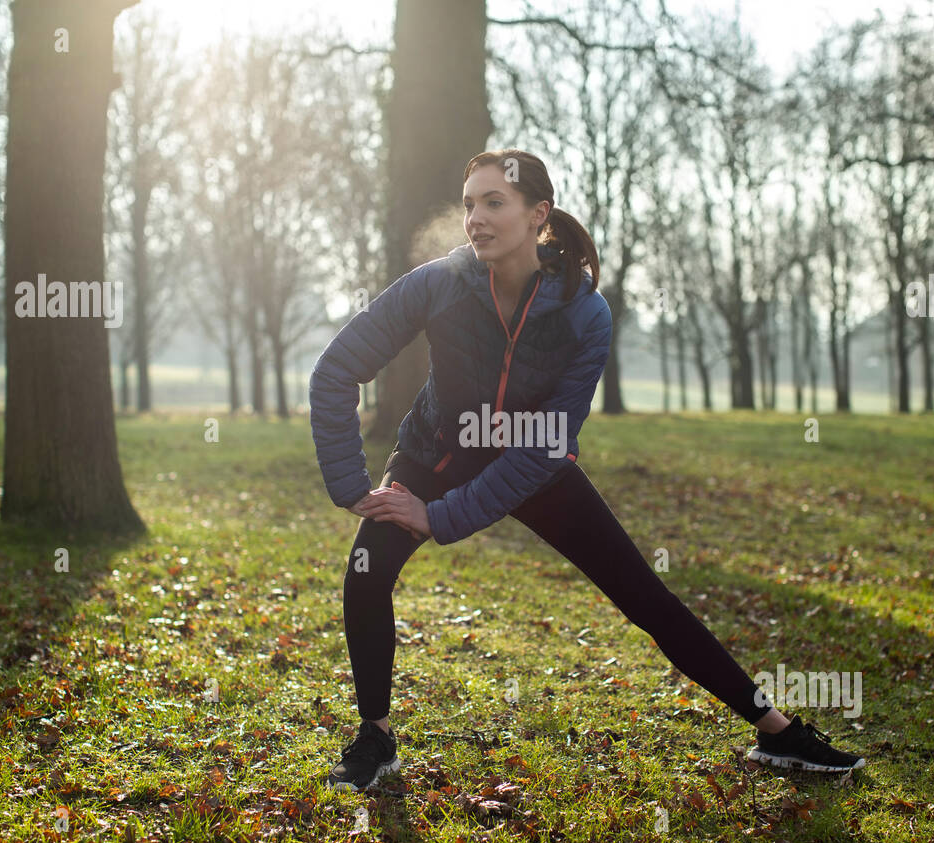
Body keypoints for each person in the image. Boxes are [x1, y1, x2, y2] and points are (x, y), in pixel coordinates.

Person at [309, 148, 864, 792]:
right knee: (366, 572)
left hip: (530, 458)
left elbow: (545, 447)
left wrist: (438, 518)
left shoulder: (583, 312)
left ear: (538, 214)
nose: (476, 220)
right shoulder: (440, 282)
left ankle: (779, 733)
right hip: (436, 450)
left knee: (642, 593)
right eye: (468, 205)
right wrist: (353, 490)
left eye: (494, 204)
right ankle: (375, 737)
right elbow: (336, 370)